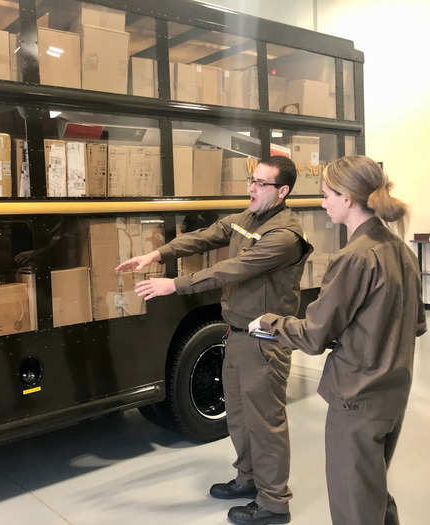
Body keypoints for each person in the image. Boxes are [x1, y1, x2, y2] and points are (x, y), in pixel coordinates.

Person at [116, 156, 312, 525]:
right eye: (251, 180)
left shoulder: (285, 236)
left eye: (261, 184)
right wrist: (157, 253)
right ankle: (248, 479)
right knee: (238, 416)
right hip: (237, 333)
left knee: (265, 422)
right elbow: (207, 236)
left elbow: (232, 269)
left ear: (282, 191)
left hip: (265, 341)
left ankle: (274, 502)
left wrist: (174, 284)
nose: (251, 189)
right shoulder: (248, 219)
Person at [248, 155, 427, 525]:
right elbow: (415, 324)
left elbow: (314, 336)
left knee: (353, 503)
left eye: (326, 193)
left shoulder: (354, 258)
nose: (322, 202)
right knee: (372, 490)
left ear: (347, 198)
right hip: (393, 394)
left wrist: (269, 323)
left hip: (357, 399)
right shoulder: (403, 253)